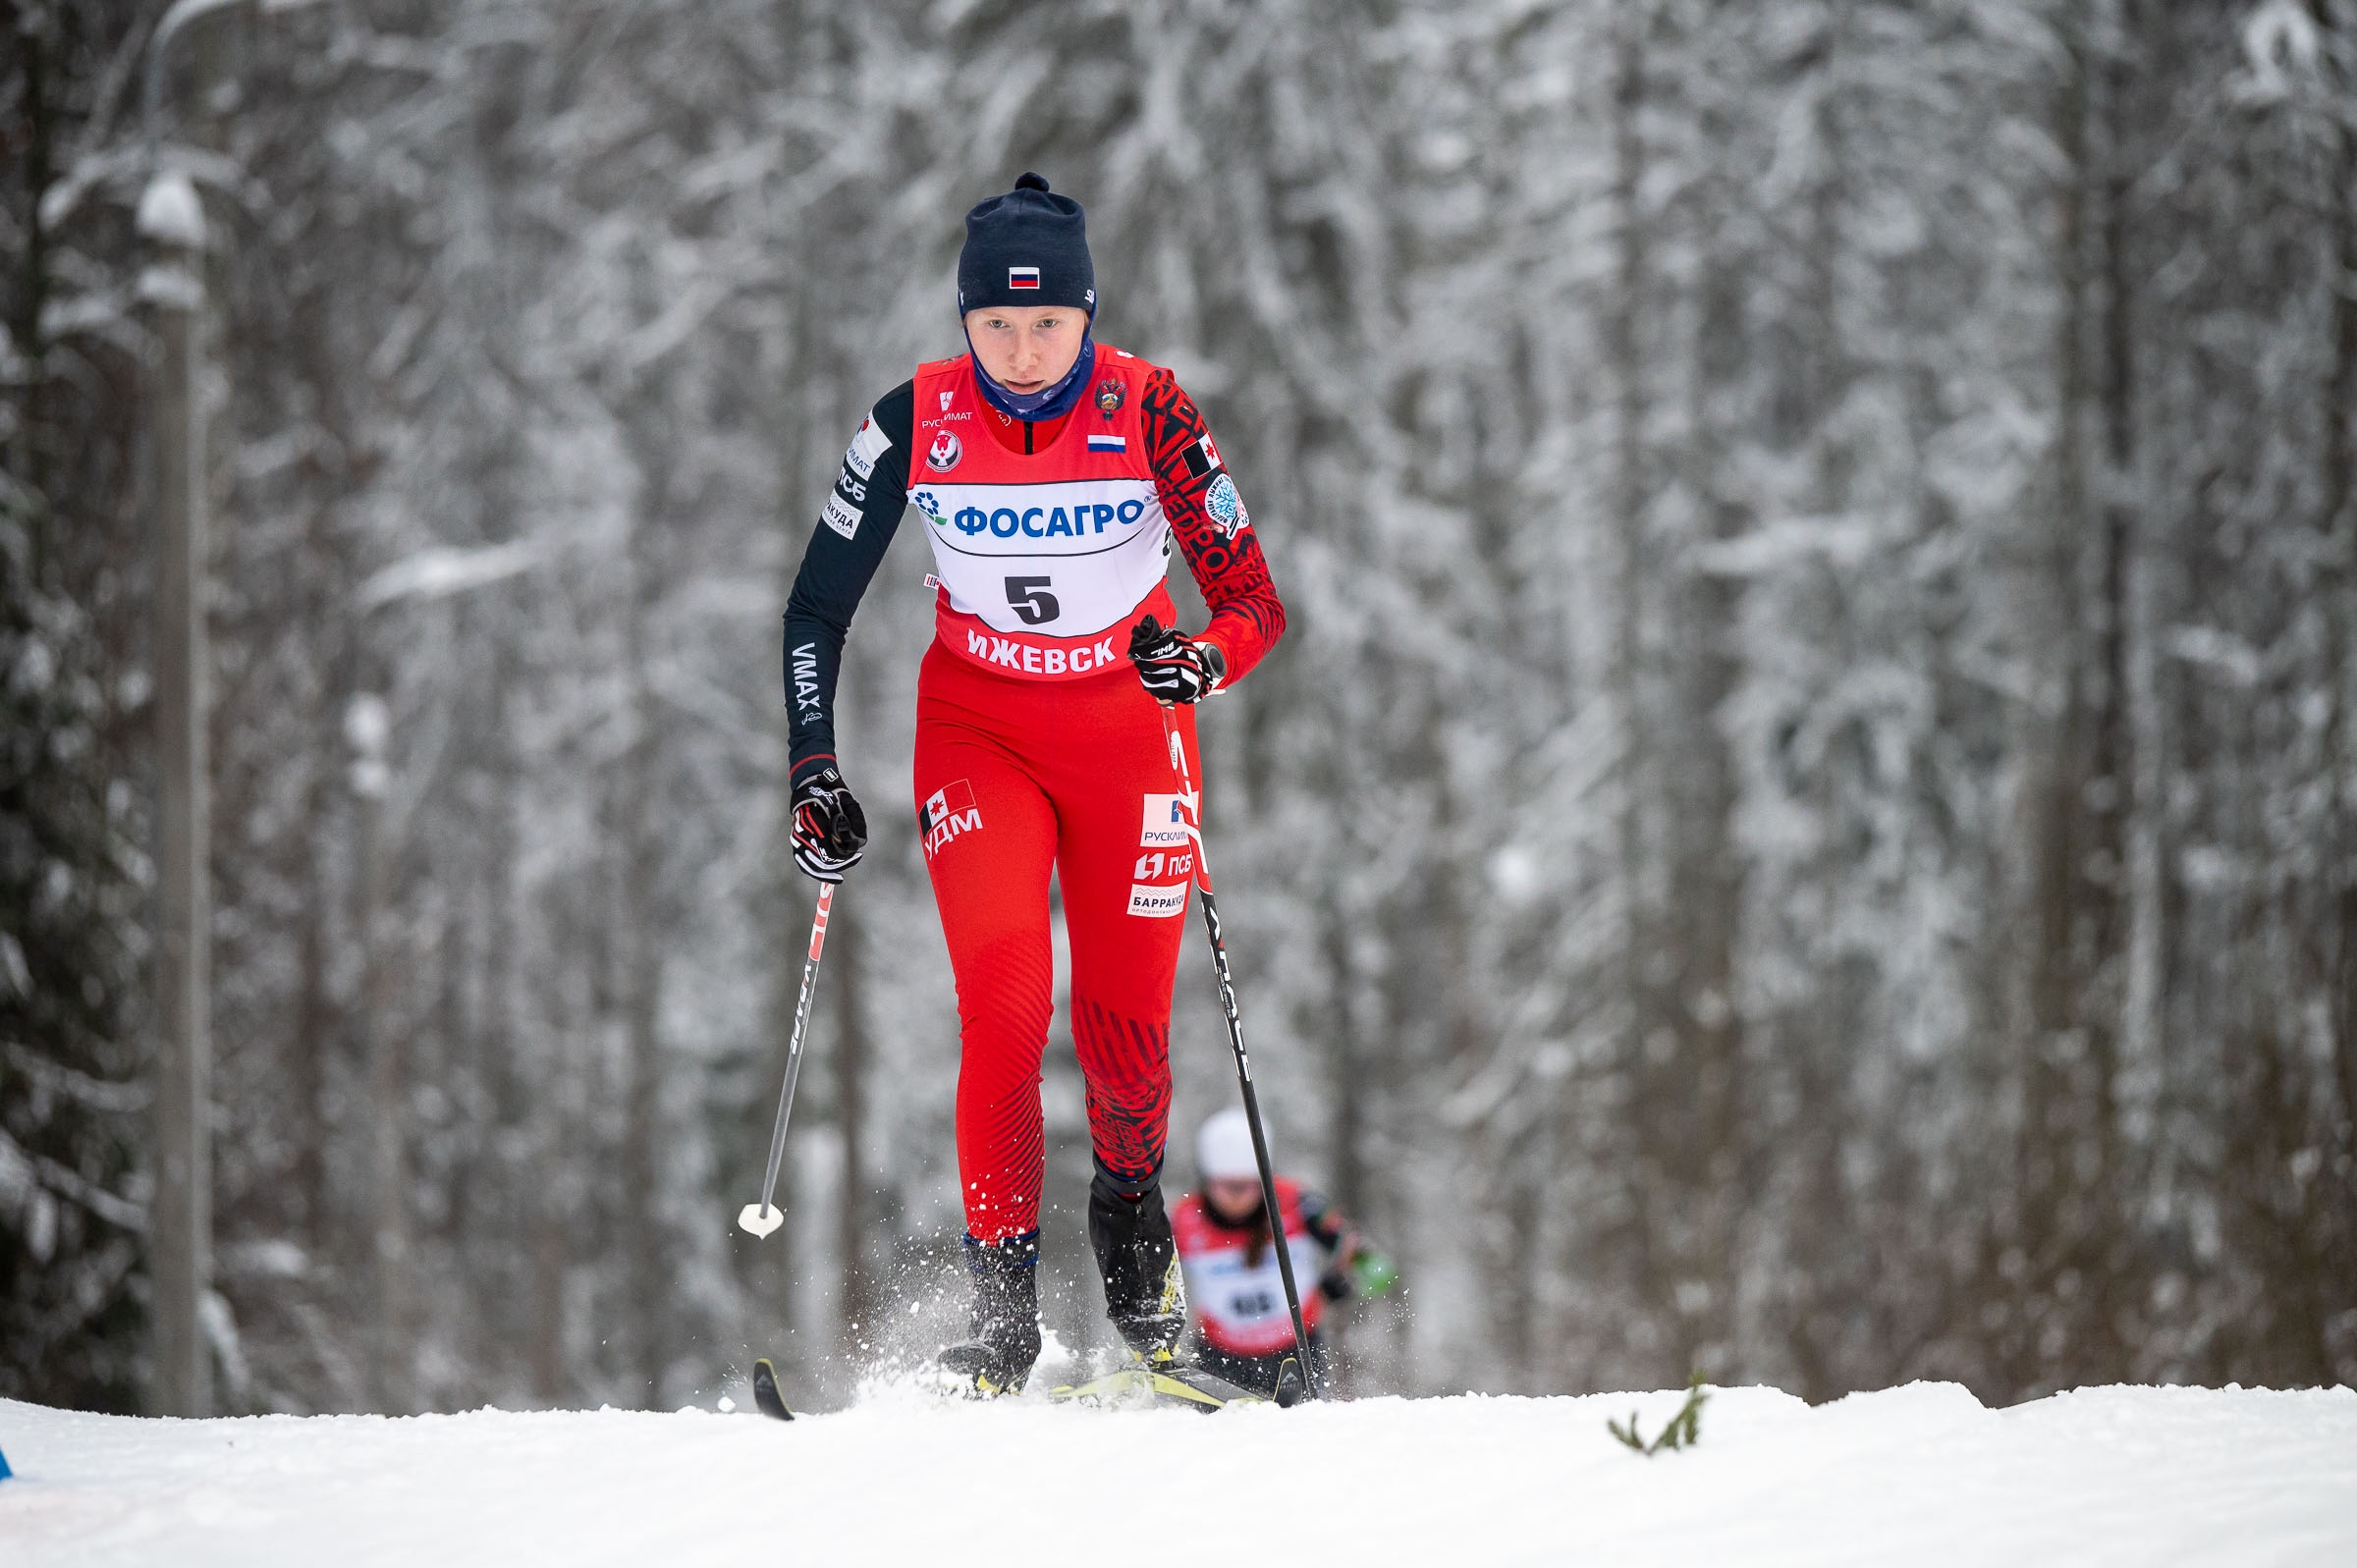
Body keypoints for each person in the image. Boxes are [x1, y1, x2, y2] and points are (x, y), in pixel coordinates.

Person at [781, 173, 1287, 1396]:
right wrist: (813, 767)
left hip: (1128, 735)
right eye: (994, 325)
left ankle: (1136, 1262)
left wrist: (1201, 661)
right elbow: (815, 608)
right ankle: (1000, 1319)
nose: (1019, 350)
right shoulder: (914, 421)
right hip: (980, 733)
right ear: (964, 321)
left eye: (1047, 324)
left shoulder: (1151, 409)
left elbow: (1254, 599)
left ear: (1086, 316)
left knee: (1127, 1049)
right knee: (1005, 1004)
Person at [1172, 1108, 1398, 1397]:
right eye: (1226, 1186)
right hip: (1220, 1359)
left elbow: (1379, 1269)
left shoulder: (1297, 1204)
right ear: (1206, 1178)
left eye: (1248, 1186)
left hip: (1295, 1354)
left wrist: (1340, 1285)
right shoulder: (1184, 1219)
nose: (1237, 1198)